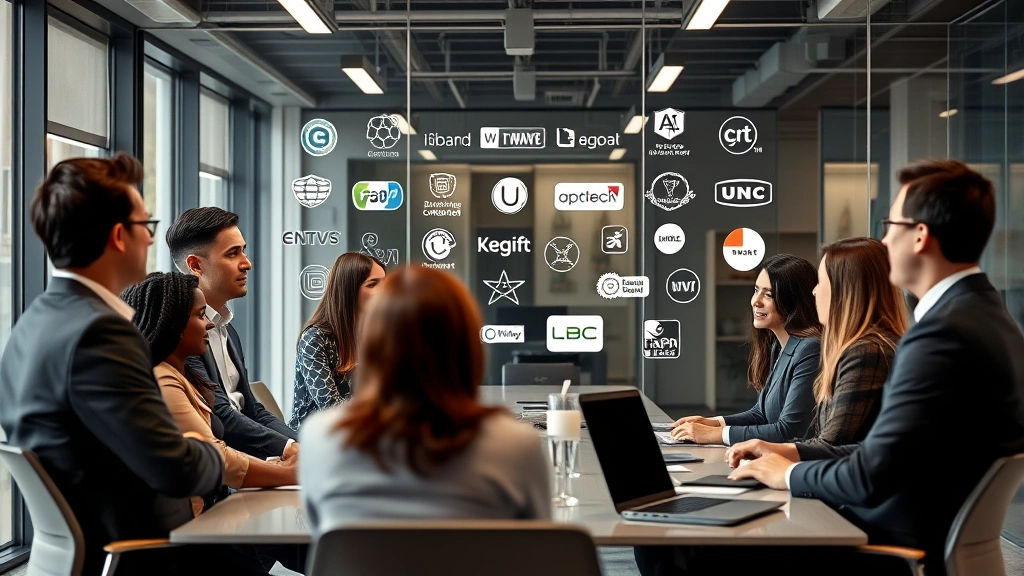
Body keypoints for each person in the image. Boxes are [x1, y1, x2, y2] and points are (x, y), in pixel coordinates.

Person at [728, 159, 1024, 576]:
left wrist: (789, 474)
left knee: (692, 549)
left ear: (919, 236)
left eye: (891, 226)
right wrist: (788, 453)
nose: (884, 242)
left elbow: (869, 476)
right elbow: (887, 454)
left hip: (884, 543)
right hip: (906, 529)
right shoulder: (989, 318)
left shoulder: (940, 336)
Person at [0, 154, 223, 575]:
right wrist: (207, 445)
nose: (151, 241)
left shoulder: (32, 323)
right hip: (140, 557)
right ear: (120, 236)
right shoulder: (101, 333)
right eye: (147, 226)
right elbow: (177, 470)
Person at [299, 265, 550, 533]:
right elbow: (538, 542)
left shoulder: (321, 437)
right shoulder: (516, 444)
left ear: (372, 345)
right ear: (467, 348)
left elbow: (317, 531)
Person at [122, 272, 298, 518]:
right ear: (174, 324)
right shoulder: (163, 379)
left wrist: (277, 465)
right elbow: (214, 457)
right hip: (195, 524)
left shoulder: (183, 377)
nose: (210, 324)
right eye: (200, 315)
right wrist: (288, 473)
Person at [725, 238, 907, 464]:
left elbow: (831, 444)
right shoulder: (860, 348)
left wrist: (778, 464)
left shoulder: (866, 352)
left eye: (821, 282)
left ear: (845, 291)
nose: (813, 292)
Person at [166, 207, 299, 460]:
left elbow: (252, 410)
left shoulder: (227, 329)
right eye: (232, 253)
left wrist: (302, 445)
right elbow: (222, 417)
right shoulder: (182, 334)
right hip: (224, 467)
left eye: (243, 251)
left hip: (251, 459)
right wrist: (291, 449)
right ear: (195, 265)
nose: (247, 263)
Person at [670, 254, 822, 445]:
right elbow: (761, 414)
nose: (756, 301)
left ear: (794, 300)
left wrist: (714, 435)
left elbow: (787, 431)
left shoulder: (810, 348)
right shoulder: (778, 345)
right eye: (756, 290)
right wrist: (713, 423)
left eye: (768, 294)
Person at [289, 252, 386, 431]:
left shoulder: (377, 333)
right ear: (349, 290)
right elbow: (331, 407)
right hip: (315, 436)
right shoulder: (315, 338)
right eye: (373, 284)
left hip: (363, 431)